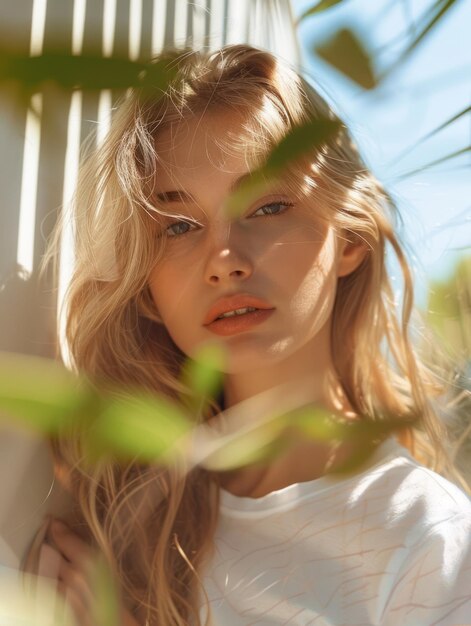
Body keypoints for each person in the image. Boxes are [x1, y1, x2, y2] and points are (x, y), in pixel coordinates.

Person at [36, 44, 471, 625]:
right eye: (180, 226)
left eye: (267, 207)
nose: (224, 260)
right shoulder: (117, 509)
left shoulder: (427, 536)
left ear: (349, 239)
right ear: (146, 288)